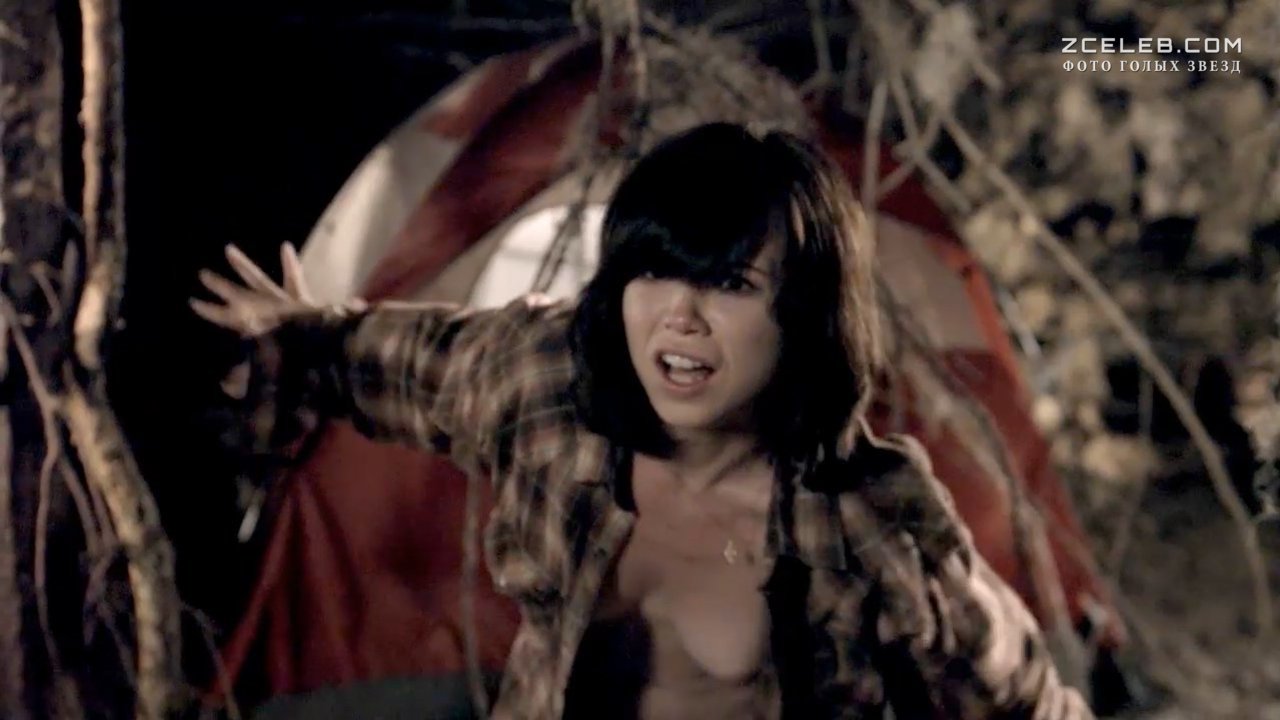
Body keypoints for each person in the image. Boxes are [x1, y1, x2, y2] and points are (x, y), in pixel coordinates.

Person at [193, 123, 1093, 719]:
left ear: (804, 316)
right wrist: (294, 335)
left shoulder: (866, 517)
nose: (680, 316)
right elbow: (377, 359)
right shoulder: (549, 384)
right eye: (655, 272)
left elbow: (1016, 695)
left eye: (731, 283)